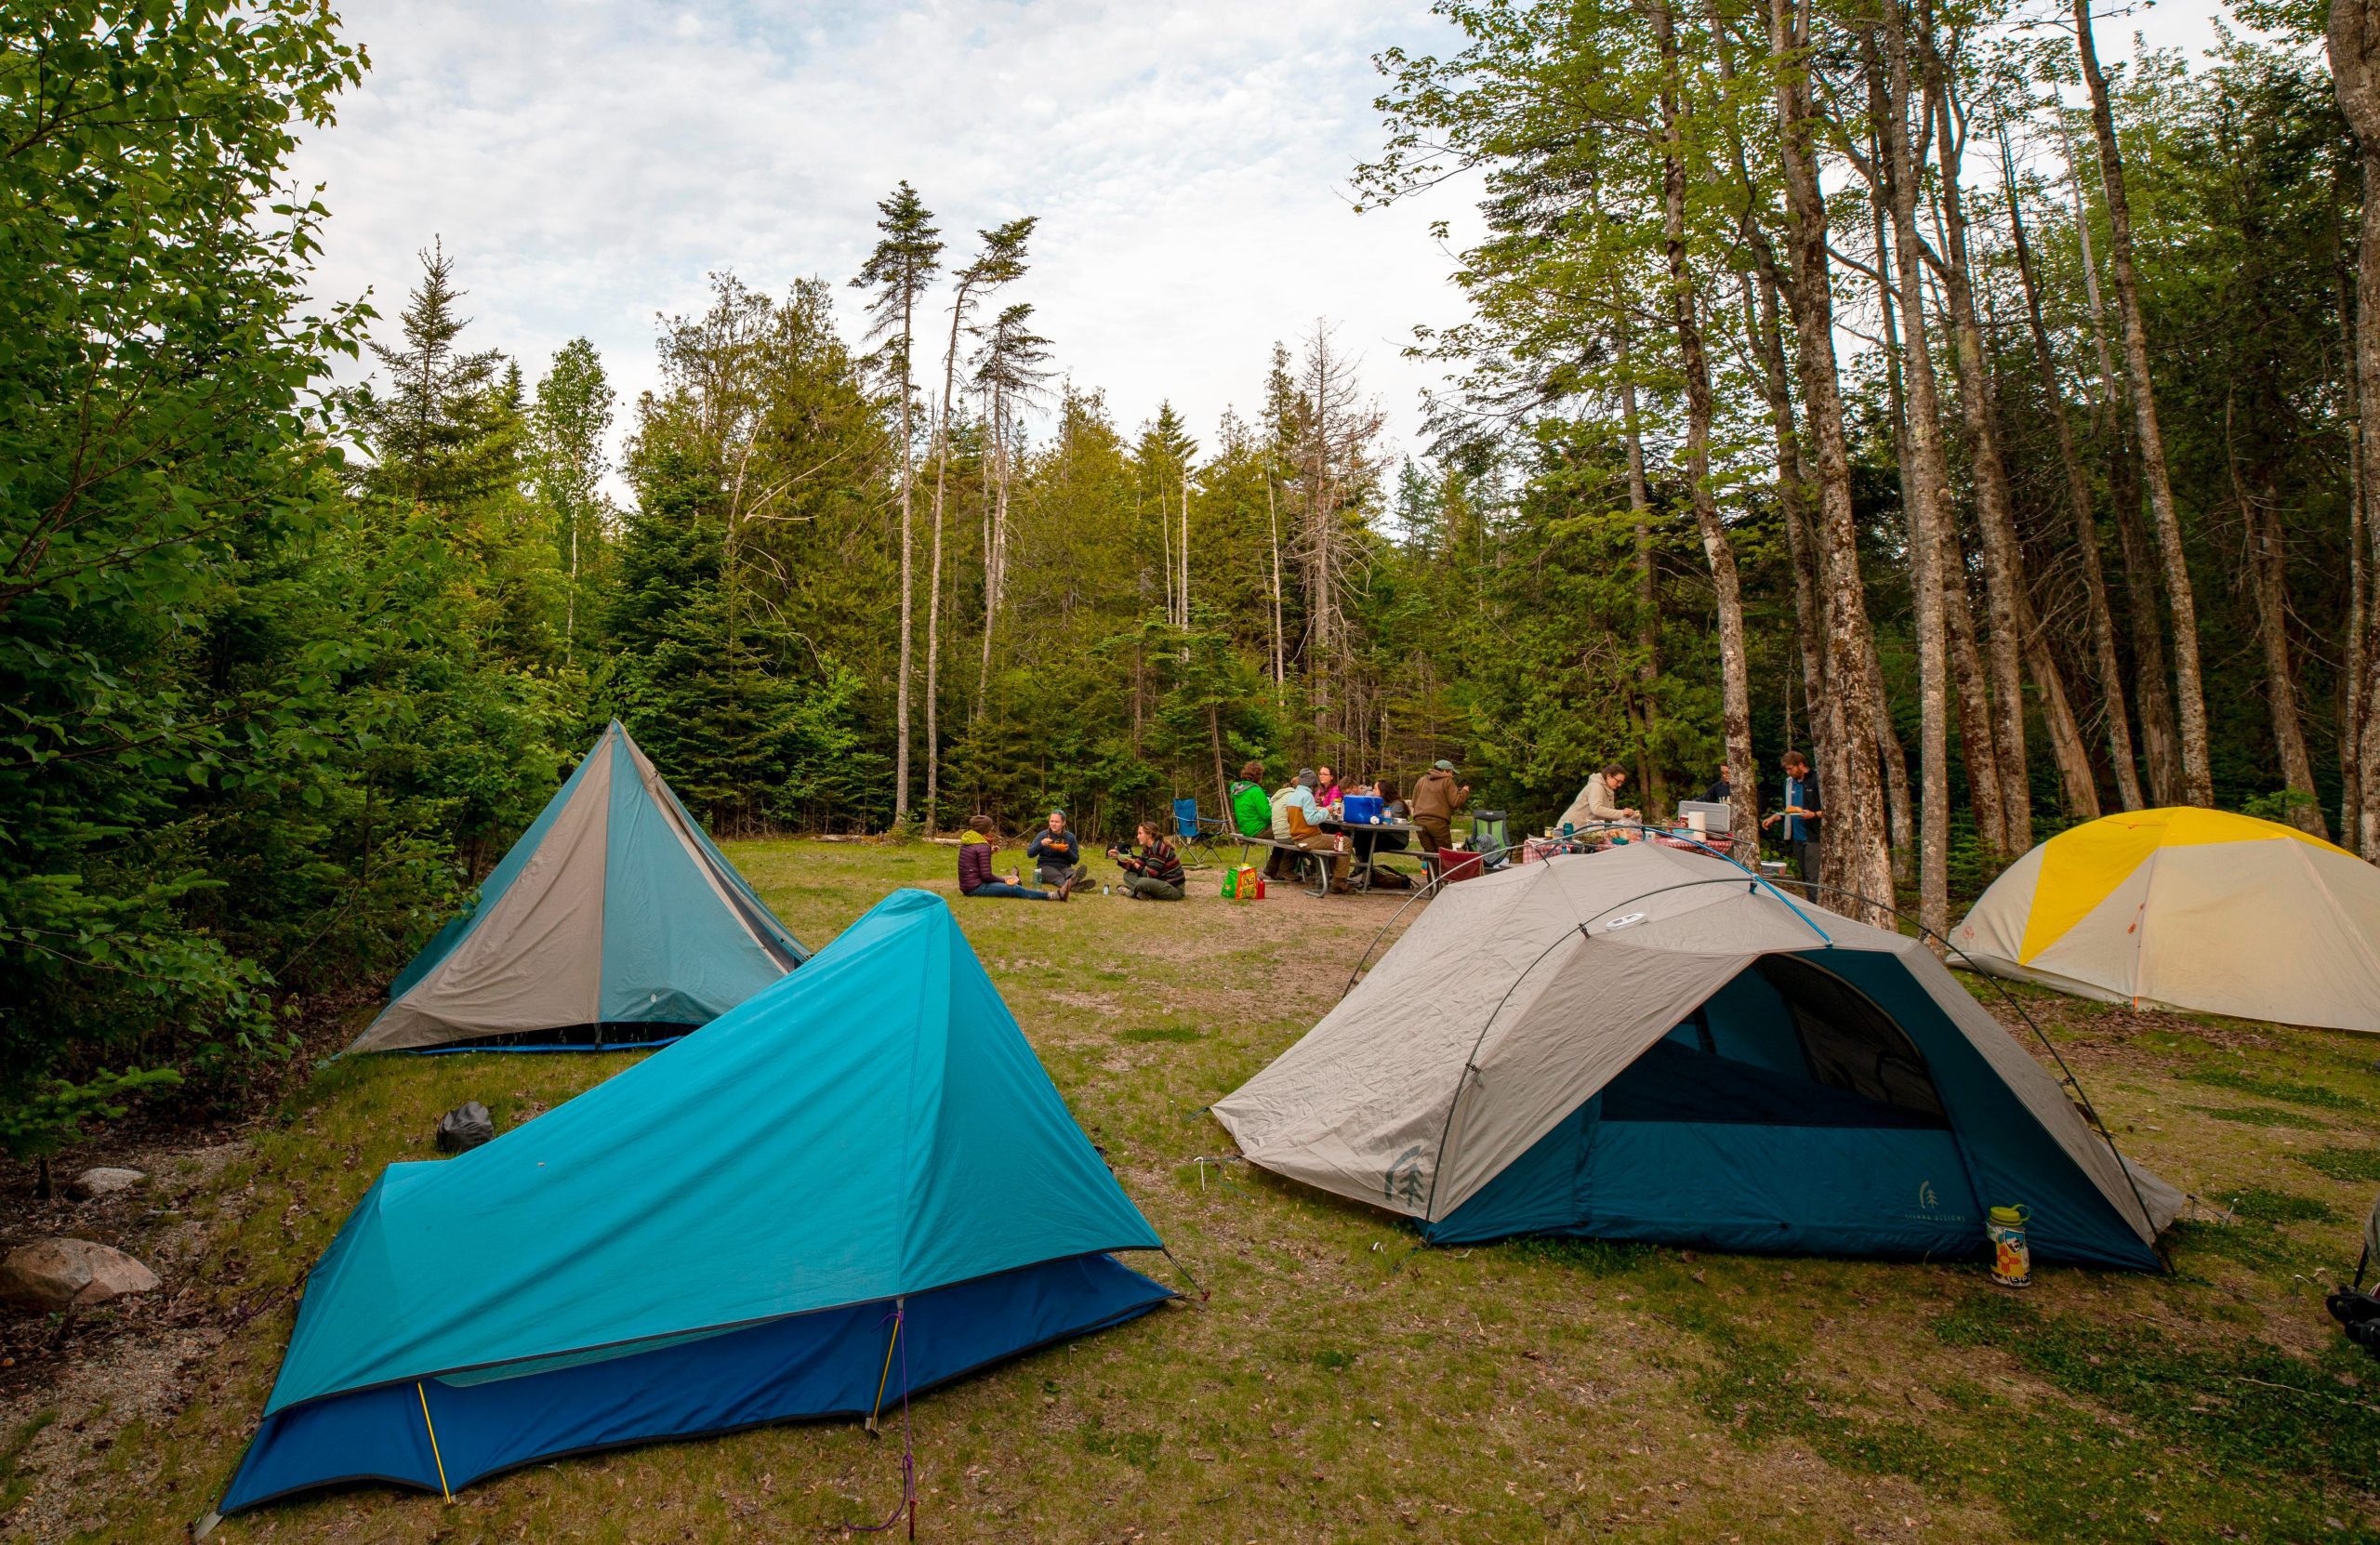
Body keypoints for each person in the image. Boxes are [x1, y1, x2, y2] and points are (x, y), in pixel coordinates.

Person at [1273, 770, 1351, 891]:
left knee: (1333, 841)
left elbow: (1298, 818)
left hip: (1297, 838)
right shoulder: (1307, 796)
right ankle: (1339, 881)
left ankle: (1325, 880)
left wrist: (1318, 811)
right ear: (1312, 785)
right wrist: (1327, 810)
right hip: (1309, 838)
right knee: (1345, 841)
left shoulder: (1293, 796)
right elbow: (1312, 820)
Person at [959, 816, 1065, 901]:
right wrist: (1004, 880)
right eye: (990, 827)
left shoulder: (970, 840)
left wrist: (989, 853)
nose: (992, 829)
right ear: (985, 829)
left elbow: (973, 860)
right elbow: (986, 876)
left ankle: (1015, 877)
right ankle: (1054, 895)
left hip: (968, 885)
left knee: (1009, 879)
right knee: (1015, 889)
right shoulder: (982, 846)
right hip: (976, 888)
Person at [1761, 750, 1823, 889]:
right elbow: (1787, 809)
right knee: (1803, 875)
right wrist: (1774, 817)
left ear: (1800, 765)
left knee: (1813, 876)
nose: (1788, 772)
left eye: (1790, 769)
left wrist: (1814, 814)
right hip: (1797, 835)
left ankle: (1815, 907)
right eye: (1786, 770)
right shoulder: (1789, 783)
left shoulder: (1816, 781)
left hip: (1814, 835)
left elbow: (1831, 810)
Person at [1108, 821, 1186, 900]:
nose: (1138, 837)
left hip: (1173, 888)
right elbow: (1137, 865)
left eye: (1140, 833)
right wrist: (1119, 856)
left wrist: (1134, 863)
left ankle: (1129, 892)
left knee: (1142, 882)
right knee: (1128, 875)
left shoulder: (1159, 847)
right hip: (1158, 882)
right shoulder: (1148, 848)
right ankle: (1143, 893)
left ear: (1149, 834)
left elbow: (1149, 875)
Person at [1557, 763, 1639, 838]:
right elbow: (1596, 809)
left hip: (1584, 831)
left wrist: (1627, 816)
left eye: (1622, 782)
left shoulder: (1609, 791)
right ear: (1608, 776)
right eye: (1618, 781)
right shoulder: (1596, 786)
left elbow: (1610, 814)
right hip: (1570, 829)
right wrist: (1621, 813)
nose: (1620, 785)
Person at [1409, 759, 1470, 852]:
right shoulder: (1447, 781)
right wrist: (1464, 791)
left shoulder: (1421, 780)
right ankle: (1441, 867)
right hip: (1438, 823)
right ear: (1445, 771)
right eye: (1451, 772)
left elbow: (1413, 803)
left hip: (1419, 822)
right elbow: (1455, 803)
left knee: (1429, 853)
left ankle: (1431, 866)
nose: (1452, 776)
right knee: (1445, 853)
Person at [1025, 809, 1089, 891]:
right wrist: (1041, 844)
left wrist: (1067, 851)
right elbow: (1029, 854)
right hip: (1045, 866)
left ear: (1063, 823)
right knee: (1058, 876)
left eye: (1057, 822)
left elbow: (1075, 860)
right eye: (1052, 821)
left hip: (1064, 867)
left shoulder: (1070, 837)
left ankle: (1074, 882)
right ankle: (1073, 886)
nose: (1053, 824)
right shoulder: (1042, 835)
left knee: (1072, 874)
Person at [1228, 759, 1272, 839]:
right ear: (1259, 776)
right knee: (1286, 831)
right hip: (1259, 829)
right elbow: (1267, 815)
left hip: (1246, 830)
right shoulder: (1256, 791)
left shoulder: (1237, 789)